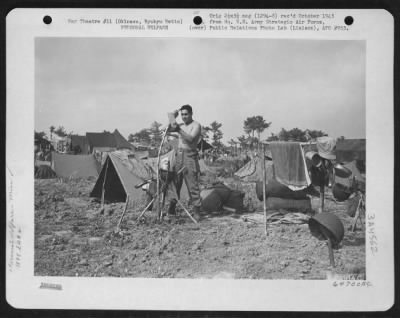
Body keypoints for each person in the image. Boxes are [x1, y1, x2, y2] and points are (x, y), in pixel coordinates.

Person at [168, 104, 202, 221]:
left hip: (190, 156)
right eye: (182, 114)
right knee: (175, 183)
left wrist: (178, 129)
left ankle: (197, 212)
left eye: (186, 114)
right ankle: (171, 209)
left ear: (191, 114)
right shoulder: (181, 125)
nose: (184, 117)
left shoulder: (196, 125)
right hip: (179, 155)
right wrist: (173, 116)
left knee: (192, 185)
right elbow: (168, 129)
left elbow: (191, 139)